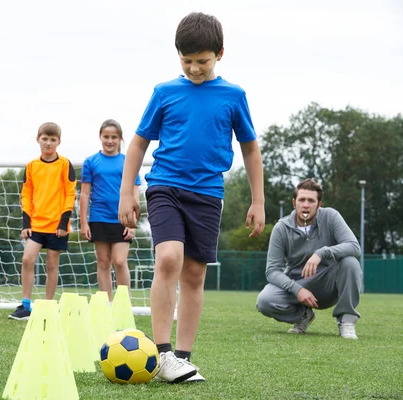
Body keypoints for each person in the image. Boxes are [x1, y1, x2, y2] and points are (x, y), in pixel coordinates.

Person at [118, 12, 265, 383]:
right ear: (177, 57)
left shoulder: (234, 96)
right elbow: (137, 143)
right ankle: (162, 352)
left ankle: (182, 356)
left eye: (202, 61)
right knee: (168, 257)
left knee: (195, 274)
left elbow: (250, 149)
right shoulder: (165, 93)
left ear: (220, 54)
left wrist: (258, 200)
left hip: (208, 194)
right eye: (187, 61)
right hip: (165, 186)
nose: (195, 68)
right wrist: (127, 192)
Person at [256, 178, 362, 339]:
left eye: (311, 201)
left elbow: (354, 247)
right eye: (302, 200)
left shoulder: (331, 217)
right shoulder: (282, 228)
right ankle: (303, 316)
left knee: (350, 262)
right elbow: (272, 271)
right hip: (298, 284)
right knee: (264, 301)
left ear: (319, 204)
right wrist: (297, 289)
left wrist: (322, 253)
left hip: (328, 283)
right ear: (294, 202)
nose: (306, 205)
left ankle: (346, 321)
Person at [9, 122, 77, 320]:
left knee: (51, 265)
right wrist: (26, 223)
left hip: (57, 226)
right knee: (27, 259)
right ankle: (25, 305)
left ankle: (48, 305)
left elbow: (70, 193)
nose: (48, 143)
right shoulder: (32, 166)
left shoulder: (65, 164)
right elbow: (26, 194)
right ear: (38, 139)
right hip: (36, 224)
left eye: (52, 139)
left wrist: (64, 222)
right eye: (45, 139)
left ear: (59, 142)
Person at [80, 119, 141, 301]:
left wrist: (132, 223)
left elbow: (135, 193)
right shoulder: (90, 162)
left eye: (114, 137)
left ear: (120, 139)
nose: (110, 141)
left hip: (122, 219)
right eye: (106, 136)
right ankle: (106, 305)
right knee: (104, 262)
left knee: (120, 261)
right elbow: (84, 195)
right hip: (99, 218)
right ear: (100, 137)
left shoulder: (128, 162)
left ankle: (123, 304)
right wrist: (84, 223)